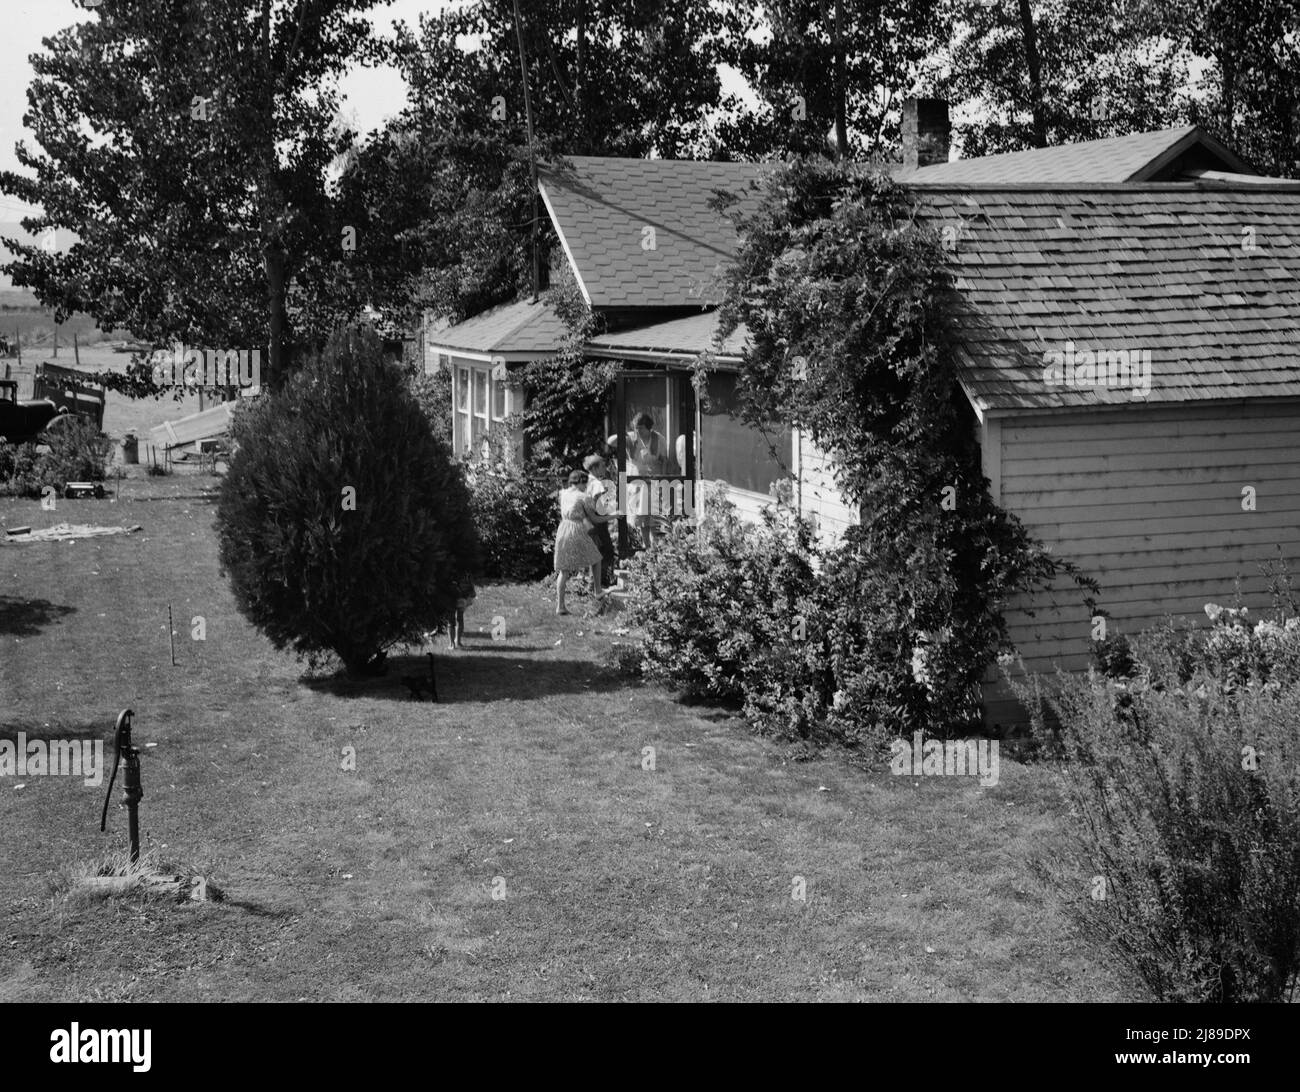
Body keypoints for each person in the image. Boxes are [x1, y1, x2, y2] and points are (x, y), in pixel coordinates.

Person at [553, 469, 607, 615]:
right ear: (581, 482)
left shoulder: (563, 493)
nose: (586, 487)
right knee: (596, 558)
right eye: (585, 484)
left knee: (564, 570)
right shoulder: (583, 497)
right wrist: (614, 516)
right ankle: (598, 591)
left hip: (563, 528)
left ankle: (560, 606)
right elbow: (595, 519)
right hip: (576, 530)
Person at [625, 412, 678, 549]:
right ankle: (645, 544)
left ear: (649, 428)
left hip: (655, 480)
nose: (638, 431)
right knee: (641, 514)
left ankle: (655, 545)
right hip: (637, 481)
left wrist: (664, 480)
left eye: (641, 428)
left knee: (654, 514)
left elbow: (664, 460)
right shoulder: (631, 438)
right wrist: (623, 435)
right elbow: (611, 441)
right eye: (636, 428)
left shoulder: (658, 439)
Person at [583, 453, 618, 587]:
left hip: (590, 523)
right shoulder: (597, 484)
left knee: (598, 553)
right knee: (606, 551)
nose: (606, 468)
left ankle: (595, 583)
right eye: (603, 465)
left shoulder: (589, 482)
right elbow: (600, 506)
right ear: (596, 468)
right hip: (597, 524)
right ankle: (596, 584)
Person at [447, 571, 476, 650]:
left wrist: (471, 591)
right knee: (452, 619)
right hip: (452, 596)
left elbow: (470, 581)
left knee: (459, 618)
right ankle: (452, 643)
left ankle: (456, 642)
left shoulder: (465, 570)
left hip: (462, 596)